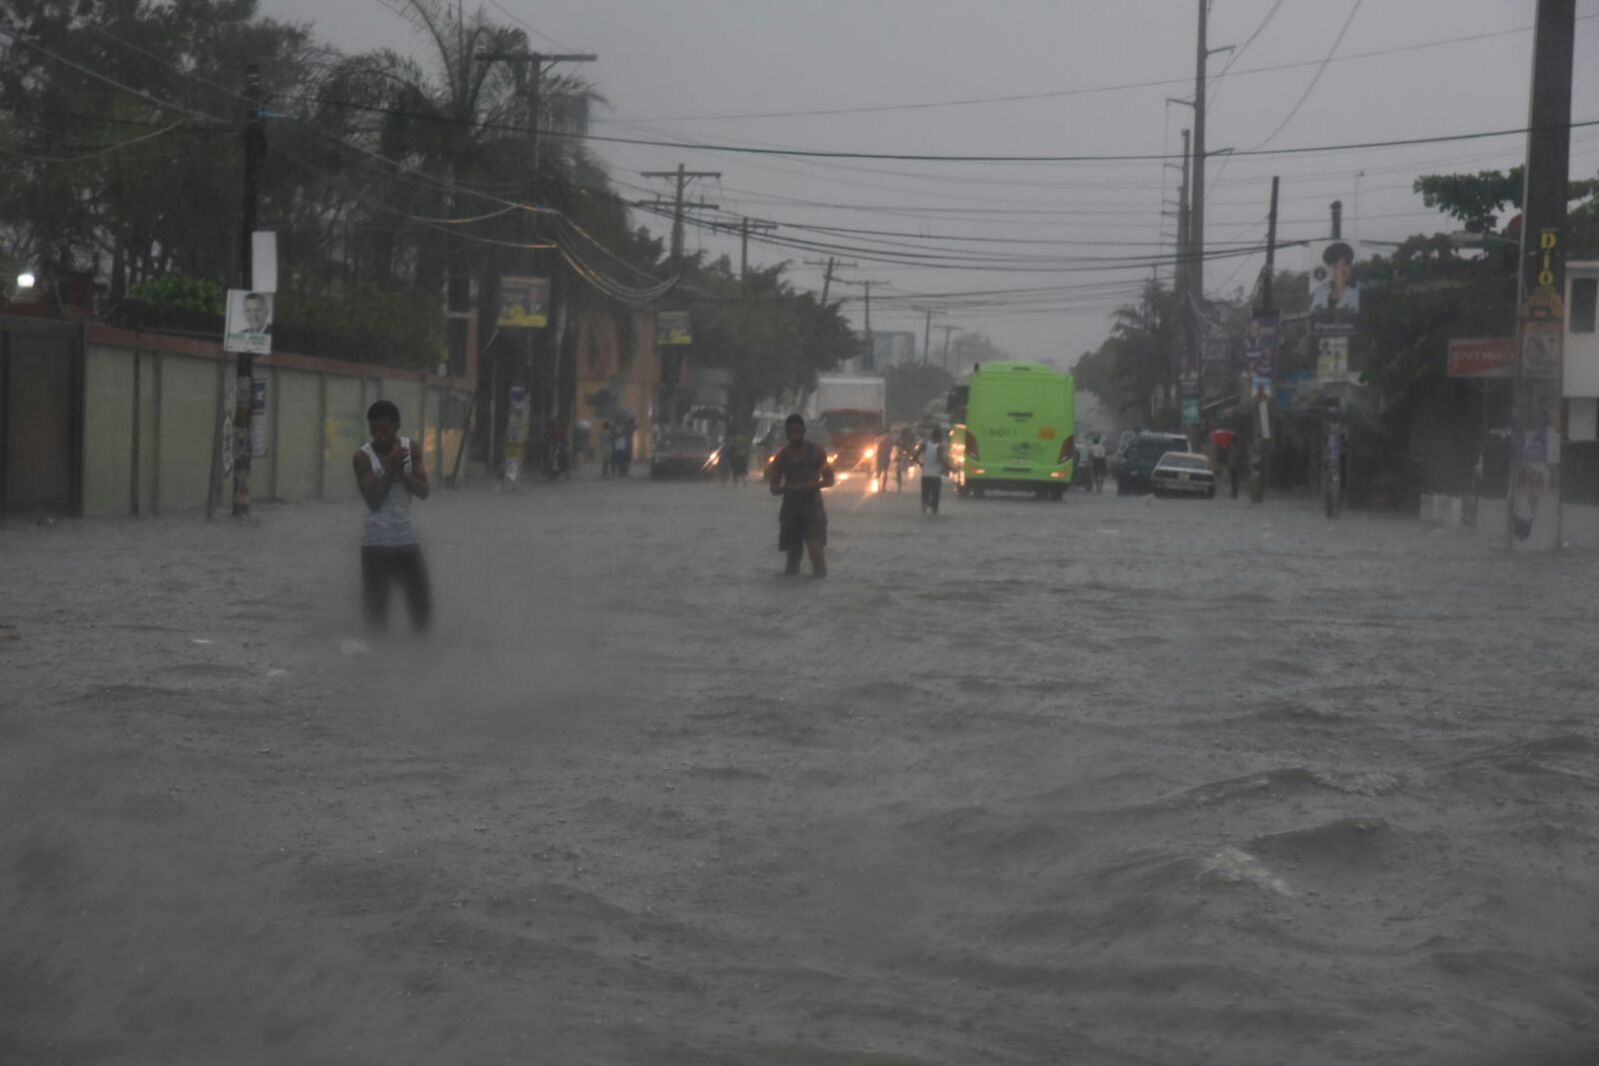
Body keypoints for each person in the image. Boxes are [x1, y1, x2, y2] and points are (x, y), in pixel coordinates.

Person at [352, 400, 431, 633]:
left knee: (421, 608)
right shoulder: (362, 457)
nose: (378, 436)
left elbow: (424, 491)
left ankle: (417, 662)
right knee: (376, 614)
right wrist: (388, 471)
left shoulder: (411, 449)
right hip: (375, 544)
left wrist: (401, 474)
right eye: (373, 430)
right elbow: (374, 501)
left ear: (396, 427)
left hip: (407, 541)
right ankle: (376, 663)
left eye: (384, 430)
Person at [767, 414, 834, 577]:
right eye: (790, 432)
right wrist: (786, 488)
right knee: (792, 559)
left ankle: (818, 590)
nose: (794, 435)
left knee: (816, 553)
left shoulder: (817, 452)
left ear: (803, 431)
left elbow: (830, 480)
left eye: (797, 431)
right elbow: (774, 488)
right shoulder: (781, 456)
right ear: (786, 433)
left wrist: (811, 486)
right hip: (791, 510)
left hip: (813, 509)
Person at [1310, 241, 1360, 313]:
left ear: (1350, 266)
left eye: (1344, 264)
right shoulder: (1319, 293)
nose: (1340, 270)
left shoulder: (1358, 293)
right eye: (1335, 266)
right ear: (1328, 269)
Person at [915, 426, 949, 516]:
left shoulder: (925, 445)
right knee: (935, 498)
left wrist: (920, 463)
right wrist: (951, 468)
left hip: (925, 475)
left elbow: (914, 456)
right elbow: (940, 459)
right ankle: (934, 513)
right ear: (937, 437)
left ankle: (924, 512)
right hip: (935, 477)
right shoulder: (940, 447)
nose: (942, 439)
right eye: (941, 437)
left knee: (924, 496)